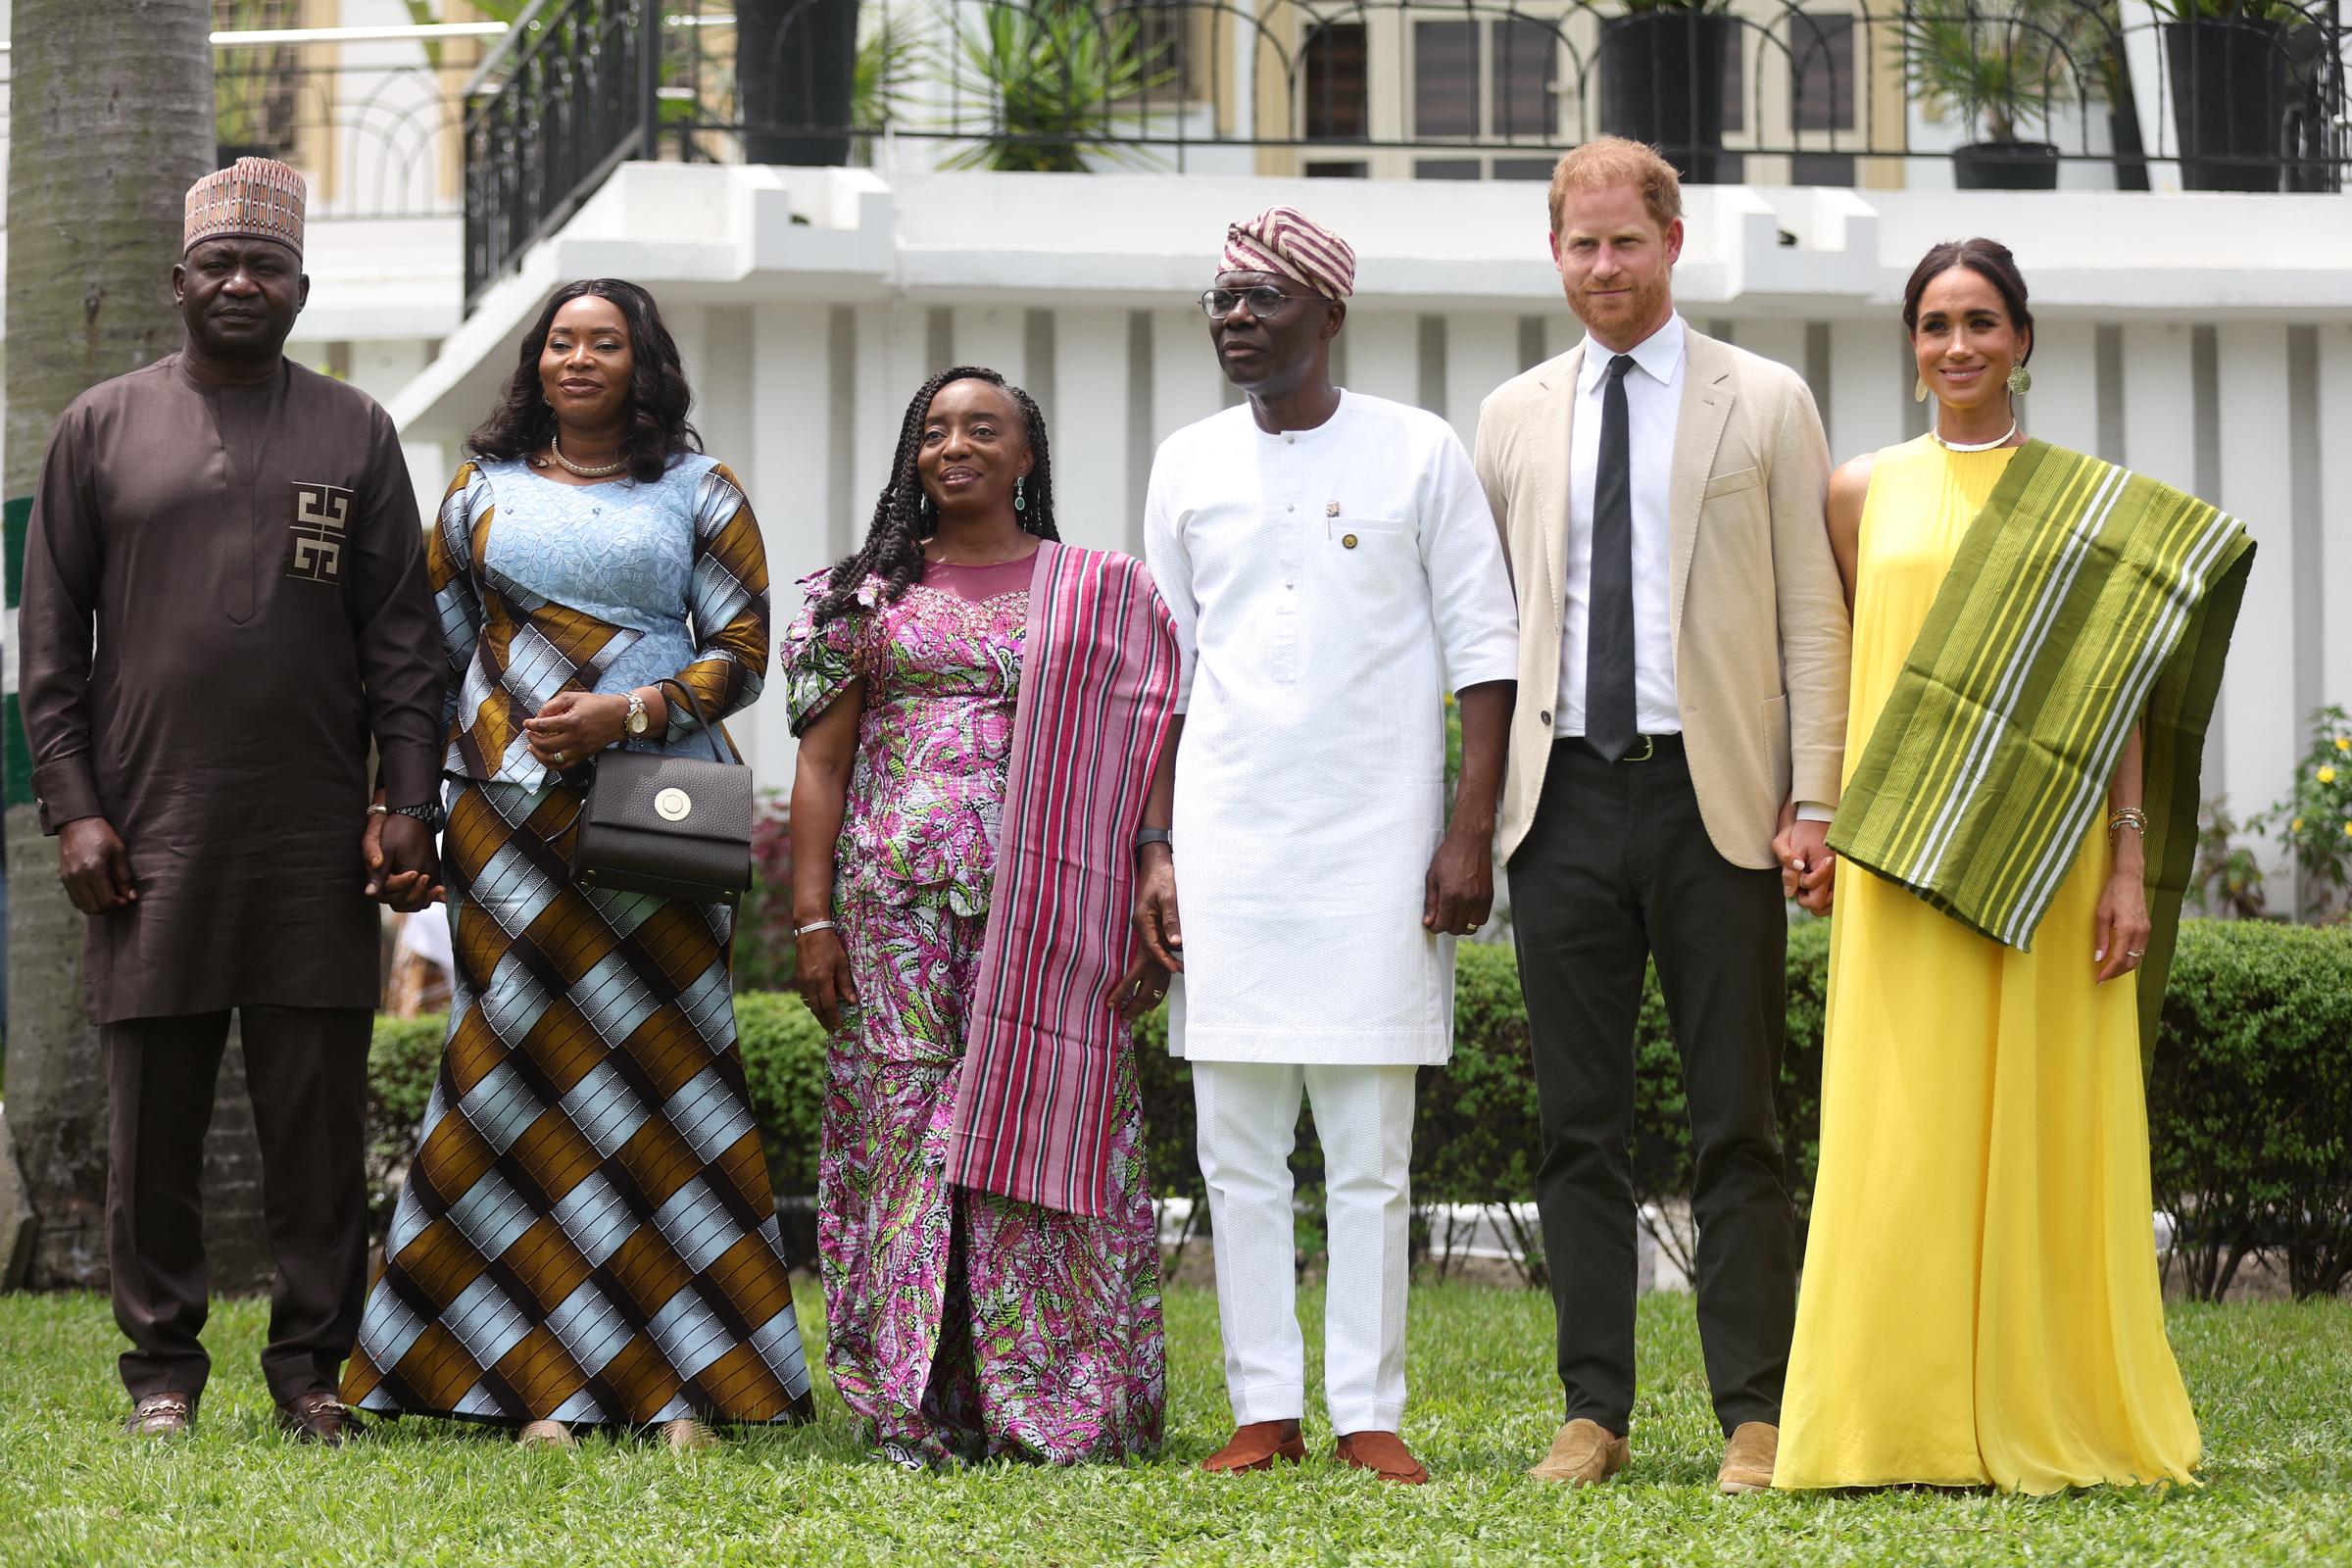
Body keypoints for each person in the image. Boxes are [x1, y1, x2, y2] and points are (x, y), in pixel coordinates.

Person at [1774, 239, 2247, 1493]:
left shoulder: (2090, 504)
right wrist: (1813, 813)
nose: (1959, 346)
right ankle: (1891, 1423)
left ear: (2024, 339)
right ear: (1913, 344)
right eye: (1935, 324)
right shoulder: (1859, 491)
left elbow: (2118, 705)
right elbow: (1848, 668)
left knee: (2046, 1124)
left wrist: (2129, 863)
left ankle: (2056, 1402)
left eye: (1982, 321)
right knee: (1902, 1126)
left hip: (2051, 853)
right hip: (1903, 856)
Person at [340, 279, 814, 1448]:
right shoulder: (474, 495)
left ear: (643, 361)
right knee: (520, 1080)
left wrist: (634, 709)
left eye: (606, 341)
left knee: (663, 1080)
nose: (581, 358)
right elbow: (430, 659)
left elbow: (746, 650)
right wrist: (400, 800)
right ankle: (538, 1387)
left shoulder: (701, 491)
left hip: (654, 818)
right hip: (504, 826)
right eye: (562, 341)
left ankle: (678, 1392)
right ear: (536, 363)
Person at [16, 158, 445, 1444]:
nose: (243, 283)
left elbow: (402, 644)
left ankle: (312, 1368)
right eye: (221, 265)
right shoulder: (99, 426)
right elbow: (47, 650)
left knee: (315, 1128)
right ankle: (161, 1372)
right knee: (153, 1124)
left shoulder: (355, 433)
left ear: (302, 290)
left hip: (313, 837)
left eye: (267, 267)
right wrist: (74, 808)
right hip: (146, 838)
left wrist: (408, 800)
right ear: (180, 283)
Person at [1473, 138, 1850, 1494]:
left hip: (1720, 803)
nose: (1603, 268)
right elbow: (1489, 632)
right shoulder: (1514, 413)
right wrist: (1474, 816)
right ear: (1555, 253)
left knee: (1735, 1120)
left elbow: (1815, 609)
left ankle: (1757, 1411)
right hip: (1561, 796)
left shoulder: (1764, 400)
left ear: (1673, 242)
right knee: (1578, 1123)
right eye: (1580, 245)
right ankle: (1594, 1414)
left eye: (1626, 242)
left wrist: (1816, 796)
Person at [1135, 208, 1518, 1487]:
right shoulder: (1186, 461)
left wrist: (1468, 833)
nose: (1236, 317)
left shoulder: (1419, 451)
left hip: (1380, 842)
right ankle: (1263, 1408)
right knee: (1234, 1151)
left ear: (1330, 313)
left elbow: (1485, 653)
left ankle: (1368, 1411)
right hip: (1231, 836)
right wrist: (1156, 848)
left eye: (1263, 298)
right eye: (1222, 297)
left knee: (1368, 1153)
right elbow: (1163, 676)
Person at [786, 366, 1181, 1469]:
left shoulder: (1102, 591)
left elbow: (1153, 744)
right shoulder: (859, 596)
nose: (954, 445)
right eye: (935, 428)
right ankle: (908, 1405)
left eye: (983, 428)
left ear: (1026, 457)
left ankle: (1055, 1405)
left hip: (1055, 907)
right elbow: (823, 762)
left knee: (1052, 1126)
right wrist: (812, 918)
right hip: (895, 907)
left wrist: (1157, 860)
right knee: (900, 1138)